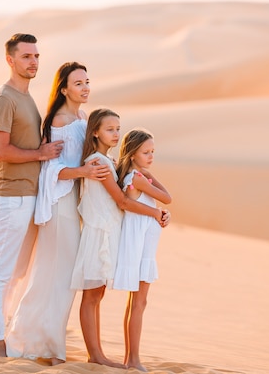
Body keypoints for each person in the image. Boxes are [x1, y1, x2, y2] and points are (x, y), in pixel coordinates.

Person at [4, 62, 110, 365]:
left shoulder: (82, 117)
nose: (86, 87)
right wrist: (83, 171)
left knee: (60, 276)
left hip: (73, 204)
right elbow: (50, 169)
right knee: (56, 276)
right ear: (63, 88)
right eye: (78, 83)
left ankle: (42, 342)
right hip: (58, 204)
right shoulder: (59, 121)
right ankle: (36, 343)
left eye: (87, 81)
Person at [0, 33, 64, 357]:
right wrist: (41, 155)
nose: (33, 62)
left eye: (37, 56)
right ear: (10, 60)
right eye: (26, 56)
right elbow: (1, 151)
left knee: (15, 275)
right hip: (11, 195)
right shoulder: (4, 99)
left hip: (28, 197)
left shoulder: (26, 97)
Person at [71, 108, 170, 368]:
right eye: (109, 129)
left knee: (96, 295)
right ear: (95, 132)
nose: (116, 134)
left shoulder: (107, 161)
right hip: (99, 232)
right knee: (91, 296)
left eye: (117, 129)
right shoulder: (99, 162)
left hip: (107, 231)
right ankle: (95, 354)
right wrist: (155, 212)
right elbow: (122, 201)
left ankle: (98, 353)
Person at [113, 128, 172, 372]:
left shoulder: (136, 175)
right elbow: (166, 198)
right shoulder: (136, 178)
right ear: (132, 153)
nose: (151, 157)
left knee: (136, 303)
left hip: (143, 246)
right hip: (137, 248)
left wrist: (146, 172)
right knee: (138, 303)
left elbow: (161, 204)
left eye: (153, 152)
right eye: (146, 152)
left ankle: (131, 357)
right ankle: (133, 359)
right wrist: (148, 176)